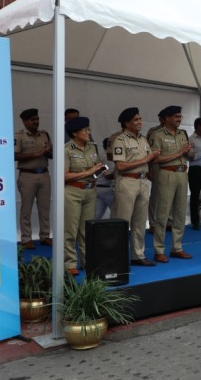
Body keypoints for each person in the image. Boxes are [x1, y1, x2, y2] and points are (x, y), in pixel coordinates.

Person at [112, 107, 160, 267]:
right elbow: (120, 166)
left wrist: (153, 157)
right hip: (127, 182)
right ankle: (118, 257)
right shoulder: (120, 140)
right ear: (127, 123)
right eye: (136, 120)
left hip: (143, 181)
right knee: (123, 222)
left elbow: (148, 159)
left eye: (140, 119)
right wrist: (145, 160)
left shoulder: (143, 139)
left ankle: (138, 255)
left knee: (140, 222)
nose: (140, 122)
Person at [148, 105, 192, 262]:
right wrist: (179, 153)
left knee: (180, 213)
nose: (179, 119)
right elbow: (155, 158)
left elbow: (189, 155)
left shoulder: (183, 133)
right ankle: (159, 250)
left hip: (182, 173)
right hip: (166, 173)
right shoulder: (157, 135)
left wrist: (189, 152)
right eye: (176, 117)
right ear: (166, 118)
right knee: (163, 214)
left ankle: (177, 247)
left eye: (180, 116)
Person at [64, 116, 106, 276]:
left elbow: (96, 169)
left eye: (89, 129)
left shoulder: (93, 147)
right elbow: (64, 176)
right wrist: (88, 172)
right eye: (85, 130)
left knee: (87, 230)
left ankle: (87, 261)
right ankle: (69, 263)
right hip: (73, 192)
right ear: (75, 133)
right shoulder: (66, 150)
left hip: (91, 191)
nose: (89, 132)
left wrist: (99, 171)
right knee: (70, 230)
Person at [14, 108, 53, 249]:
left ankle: (45, 236)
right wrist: (36, 154)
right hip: (27, 175)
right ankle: (26, 238)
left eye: (37, 119)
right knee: (26, 209)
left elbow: (52, 155)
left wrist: (48, 152)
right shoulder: (19, 136)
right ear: (24, 121)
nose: (36, 122)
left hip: (44, 174)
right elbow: (14, 155)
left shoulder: (44, 134)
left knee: (45, 208)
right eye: (32, 120)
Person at [145, 111, 166, 234]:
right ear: (161, 119)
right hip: (157, 165)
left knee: (168, 196)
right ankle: (152, 222)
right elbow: (148, 151)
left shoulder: (177, 132)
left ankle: (167, 221)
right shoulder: (153, 131)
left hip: (170, 167)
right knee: (155, 196)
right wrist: (148, 168)